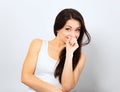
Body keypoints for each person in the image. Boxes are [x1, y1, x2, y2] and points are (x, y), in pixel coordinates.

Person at [21, 8, 91, 92]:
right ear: (58, 28)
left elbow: (67, 87)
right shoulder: (38, 44)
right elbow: (25, 77)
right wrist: (55, 91)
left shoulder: (80, 57)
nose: (73, 34)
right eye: (68, 29)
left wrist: (69, 54)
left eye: (77, 30)